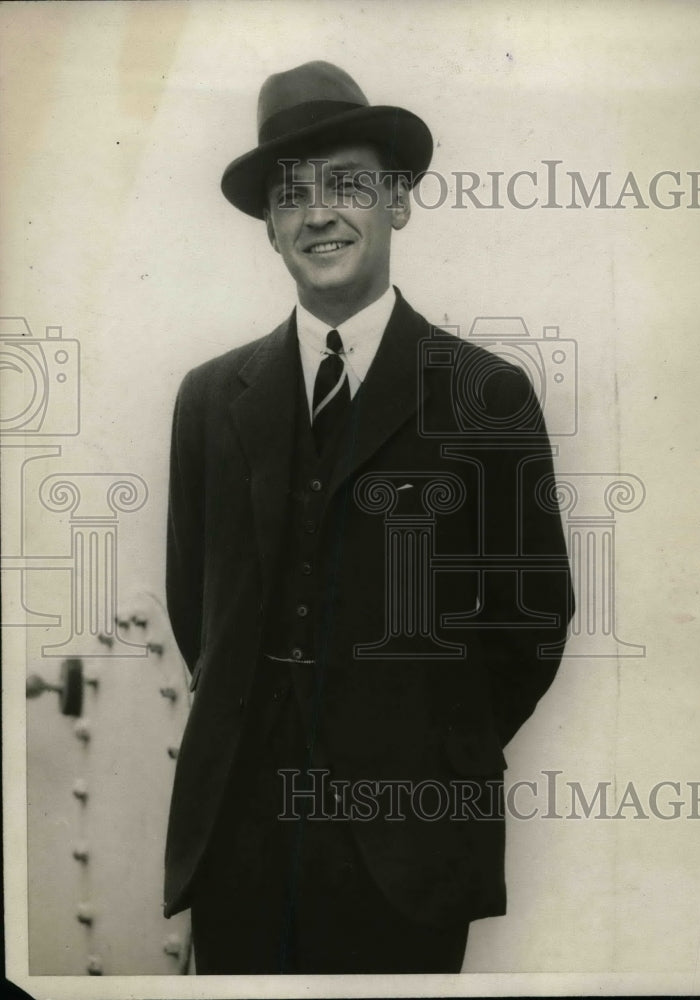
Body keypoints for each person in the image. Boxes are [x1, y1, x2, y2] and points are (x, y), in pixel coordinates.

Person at [163, 60, 574, 975]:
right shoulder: (206, 400)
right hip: (239, 832)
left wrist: (419, 749)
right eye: (290, 195)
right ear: (269, 227)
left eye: (346, 185)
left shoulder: (483, 397)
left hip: (409, 844)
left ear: (397, 201)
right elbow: (198, 611)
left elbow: (531, 624)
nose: (318, 214)